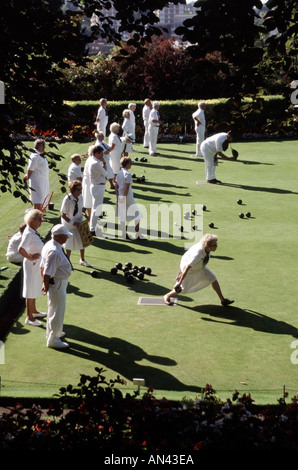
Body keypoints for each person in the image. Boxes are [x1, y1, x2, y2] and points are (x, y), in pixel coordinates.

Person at [163, 234, 234, 307]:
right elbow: (187, 267)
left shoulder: (205, 246)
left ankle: (223, 300)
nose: (216, 246)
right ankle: (167, 296)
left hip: (199, 266)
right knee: (182, 289)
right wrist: (179, 281)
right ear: (209, 247)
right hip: (190, 269)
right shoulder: (198, 254)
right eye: (214, 245)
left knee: (213, 278)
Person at [40, 224, 73, 349]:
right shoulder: (54, 251)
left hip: (58, 282)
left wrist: (44, 284)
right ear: (58, 237)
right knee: (56, 311)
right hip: (57, 283)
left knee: (55, 309)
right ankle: (53, 340)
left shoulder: (50, 244)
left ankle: (55, 332)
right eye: (65, 236)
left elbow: (42, 267)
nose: (67, 238)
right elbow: (47, 272)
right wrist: (45, 284)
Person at [18, 209, 46, 326]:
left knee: (34, 288)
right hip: (31, 265)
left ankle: (34, 311)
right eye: (40, 220)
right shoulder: (29, 233)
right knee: (30, 290)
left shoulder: (33, 230)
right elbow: (21, 249)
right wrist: (31, 258)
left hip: (36, 265)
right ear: (33, 221)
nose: (41, 222)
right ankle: (29, 318)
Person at [60, 180, 91, 267]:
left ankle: (82, 259)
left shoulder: (81, 197)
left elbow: (82, 209)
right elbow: (63, 214)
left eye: (81, 189)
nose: (80, 191)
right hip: (68, 224)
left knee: (82, 240)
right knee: (69, 243)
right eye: (78, 189)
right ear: (73, 190)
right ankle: (68, 262)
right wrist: (73, 222)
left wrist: (86, 216)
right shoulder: (67, 199)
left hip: (79, 222)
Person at [115, 156, 144, 240]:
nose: (131, 164)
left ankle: (124, 233)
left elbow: (116, 186)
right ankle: (138, 233)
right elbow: (126, 188)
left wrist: (118, 197)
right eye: (130, 163)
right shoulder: (127, 174)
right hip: (127, 197)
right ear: (127, 164)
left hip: (120, 196)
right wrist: (124, 198)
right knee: (138, 215)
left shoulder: (119, 172)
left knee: (122, 216)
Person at [24, 139, 49, 210]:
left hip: (42, 179)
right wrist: (28, 176)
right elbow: (30, 169)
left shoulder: (39, 154)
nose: (44, 148)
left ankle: (37, 214)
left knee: (40, 197)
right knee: (38, 198)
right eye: (43, 146)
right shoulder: (35, 156)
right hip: (37, 180)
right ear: (40, 147)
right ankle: (37, 215)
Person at [89, 146, 107, 236]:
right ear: (96, 153)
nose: (102, 155)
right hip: (98, 186)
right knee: (96, 208)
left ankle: (93, 226)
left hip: (97, 186)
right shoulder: (96, 163)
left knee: (95, 207)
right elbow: (105, 173)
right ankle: (92, 228)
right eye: (101, 153)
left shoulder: (94, 161)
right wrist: (104, 162)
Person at [82, 145, 94, 219]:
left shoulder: (91, 159)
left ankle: (91, 215)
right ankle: (90, 216)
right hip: (89, 181)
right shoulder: (91, 160)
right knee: (89, 198)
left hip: (89, 180)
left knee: (90, 198)